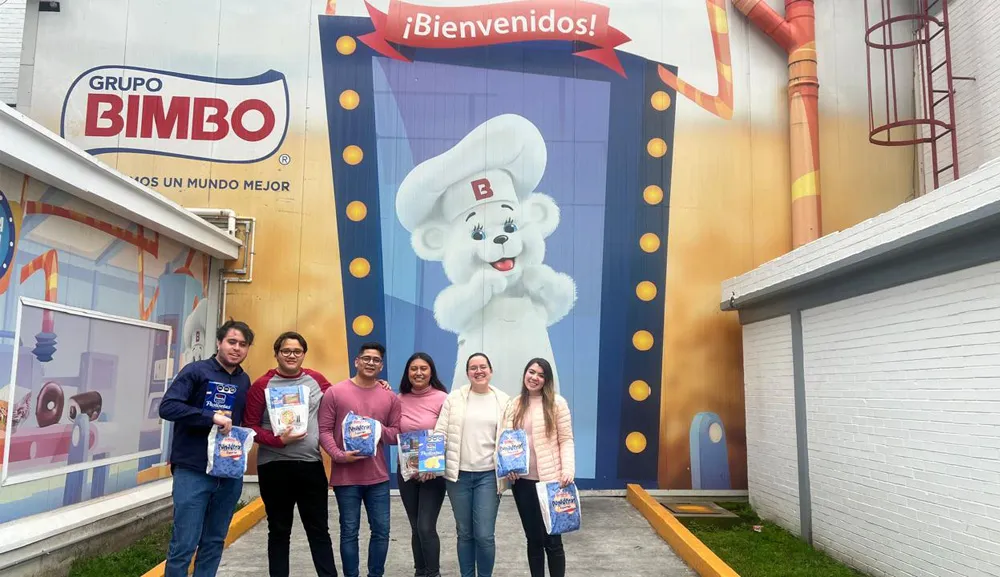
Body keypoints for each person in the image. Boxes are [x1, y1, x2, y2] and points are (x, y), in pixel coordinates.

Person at [158, 319, 255, 577]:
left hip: (228, 472)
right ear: (219, 343)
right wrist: (209, 416)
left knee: (214, 541)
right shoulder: (196, 371)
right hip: (193, 469)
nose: (236, 348)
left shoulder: (244, 380)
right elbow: (167, 407)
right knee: (184, 544)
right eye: (231, 342)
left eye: (243, 345)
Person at [243, 331, 339, 577]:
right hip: (273, 467)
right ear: (276, 354)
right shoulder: (261, 385)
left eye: (297, 351)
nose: (291, 355)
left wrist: (376, 385)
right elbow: (250, 427)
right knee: (278, 530)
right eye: (286, 351)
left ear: (304, 355)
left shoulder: (316, 380)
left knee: (318, 530)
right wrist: (277, 440)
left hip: (310, 465)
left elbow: (342, 399)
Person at [318, 342, 401, 577]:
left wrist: (375, 429)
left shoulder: (389, 397)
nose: (370, 363)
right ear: (357, 361)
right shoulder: (335, 392)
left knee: (382, 531)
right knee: (349, 532)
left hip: (378, 477)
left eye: (376, 360)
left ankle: (375, 574)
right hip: (346, 477)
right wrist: (338, 455)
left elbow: (395, 434)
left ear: (381, 366)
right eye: (366, 358)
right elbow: (324, 430)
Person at [434, 352, 511, 577]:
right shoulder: (454, 399)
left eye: (483, 366)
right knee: (465, 533)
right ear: (467, 373)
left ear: (491, 370)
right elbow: (441, 433)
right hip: (458, 476)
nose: (478, 371)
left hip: (489, 475)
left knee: (485, 534)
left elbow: (511, 438)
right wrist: (431, 462)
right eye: (473, 367)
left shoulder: (503, 400)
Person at [502, 358, 575, 577]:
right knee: (533, 539)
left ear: (547, 380)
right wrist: (509, 466)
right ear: (525, 374)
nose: (534, 377)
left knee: (553, 539)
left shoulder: (557, 403)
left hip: (552, 482)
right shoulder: (513, 404)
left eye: (541, 375)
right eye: (531, 372)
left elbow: (566, 440)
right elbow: (507, 441)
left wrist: (567, 469)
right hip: (523, 482)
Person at [396, 353, 449, 577]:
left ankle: (433, 572)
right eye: (414, 368)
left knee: (426, 526)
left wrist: (431, 465)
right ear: (407, 372)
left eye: (423, 368)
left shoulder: (443, 398)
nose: (418, 373)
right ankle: (420, 572)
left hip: (432, 474)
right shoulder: (397, 398)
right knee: (416, 527)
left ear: (431, 372)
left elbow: (448, 434)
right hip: (407, 472)